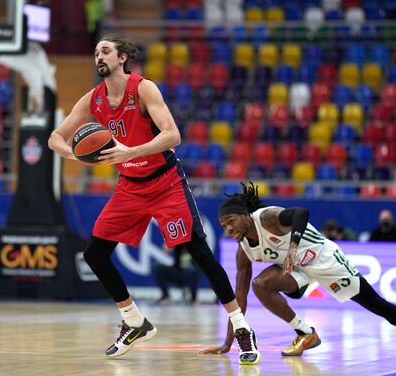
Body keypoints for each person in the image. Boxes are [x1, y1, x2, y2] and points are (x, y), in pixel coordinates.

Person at [48, 35, 260, 364]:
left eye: (104, 51)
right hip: (130, 186)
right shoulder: (93, 100)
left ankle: (241, 327)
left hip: (164, 182)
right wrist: (78, 155)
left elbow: (172, 135)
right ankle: (134, 322)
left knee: (200, 253)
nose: (98, 56)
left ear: (122, 58)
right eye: (95, 53)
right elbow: (54, 138)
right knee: (95, 254)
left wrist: (129, 151)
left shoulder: (143, 89)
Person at [204, 182, 396, 359]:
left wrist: (292, 248)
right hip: (296, 271)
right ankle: (305, 333)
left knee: (375, 304)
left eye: (230, 221)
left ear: (245, 216)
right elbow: (239, 299)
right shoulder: (242, 251)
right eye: (223, 225)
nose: (227, 229)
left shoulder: (267, 218)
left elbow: (301, 213)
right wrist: (229, 342)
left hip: (324, 259)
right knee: (260, 285)